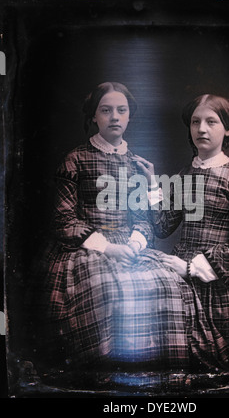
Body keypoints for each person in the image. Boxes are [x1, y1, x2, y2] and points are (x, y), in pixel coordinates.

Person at [36, 82, 197, 371]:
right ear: (94, 117)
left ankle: (160, 373)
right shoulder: (74, 161)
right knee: (107, 288)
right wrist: (109, 248)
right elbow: (63, 221)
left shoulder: (136, 165)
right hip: (86, 247)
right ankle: (108, 376)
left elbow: (143, 222)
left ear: (129, 117)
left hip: (128, 245)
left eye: (121, 111)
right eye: (106, 110)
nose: (114, 117)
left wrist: (133, 245)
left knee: (169, 284)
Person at [135, 94, 229, 385]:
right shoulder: (185, 174)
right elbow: (162, 228)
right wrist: (152, 185)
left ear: (227, 129)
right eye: (195, 122)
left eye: (211, 122)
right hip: (181, 272)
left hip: (223, 282)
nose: (201, 129)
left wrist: (189, 268)